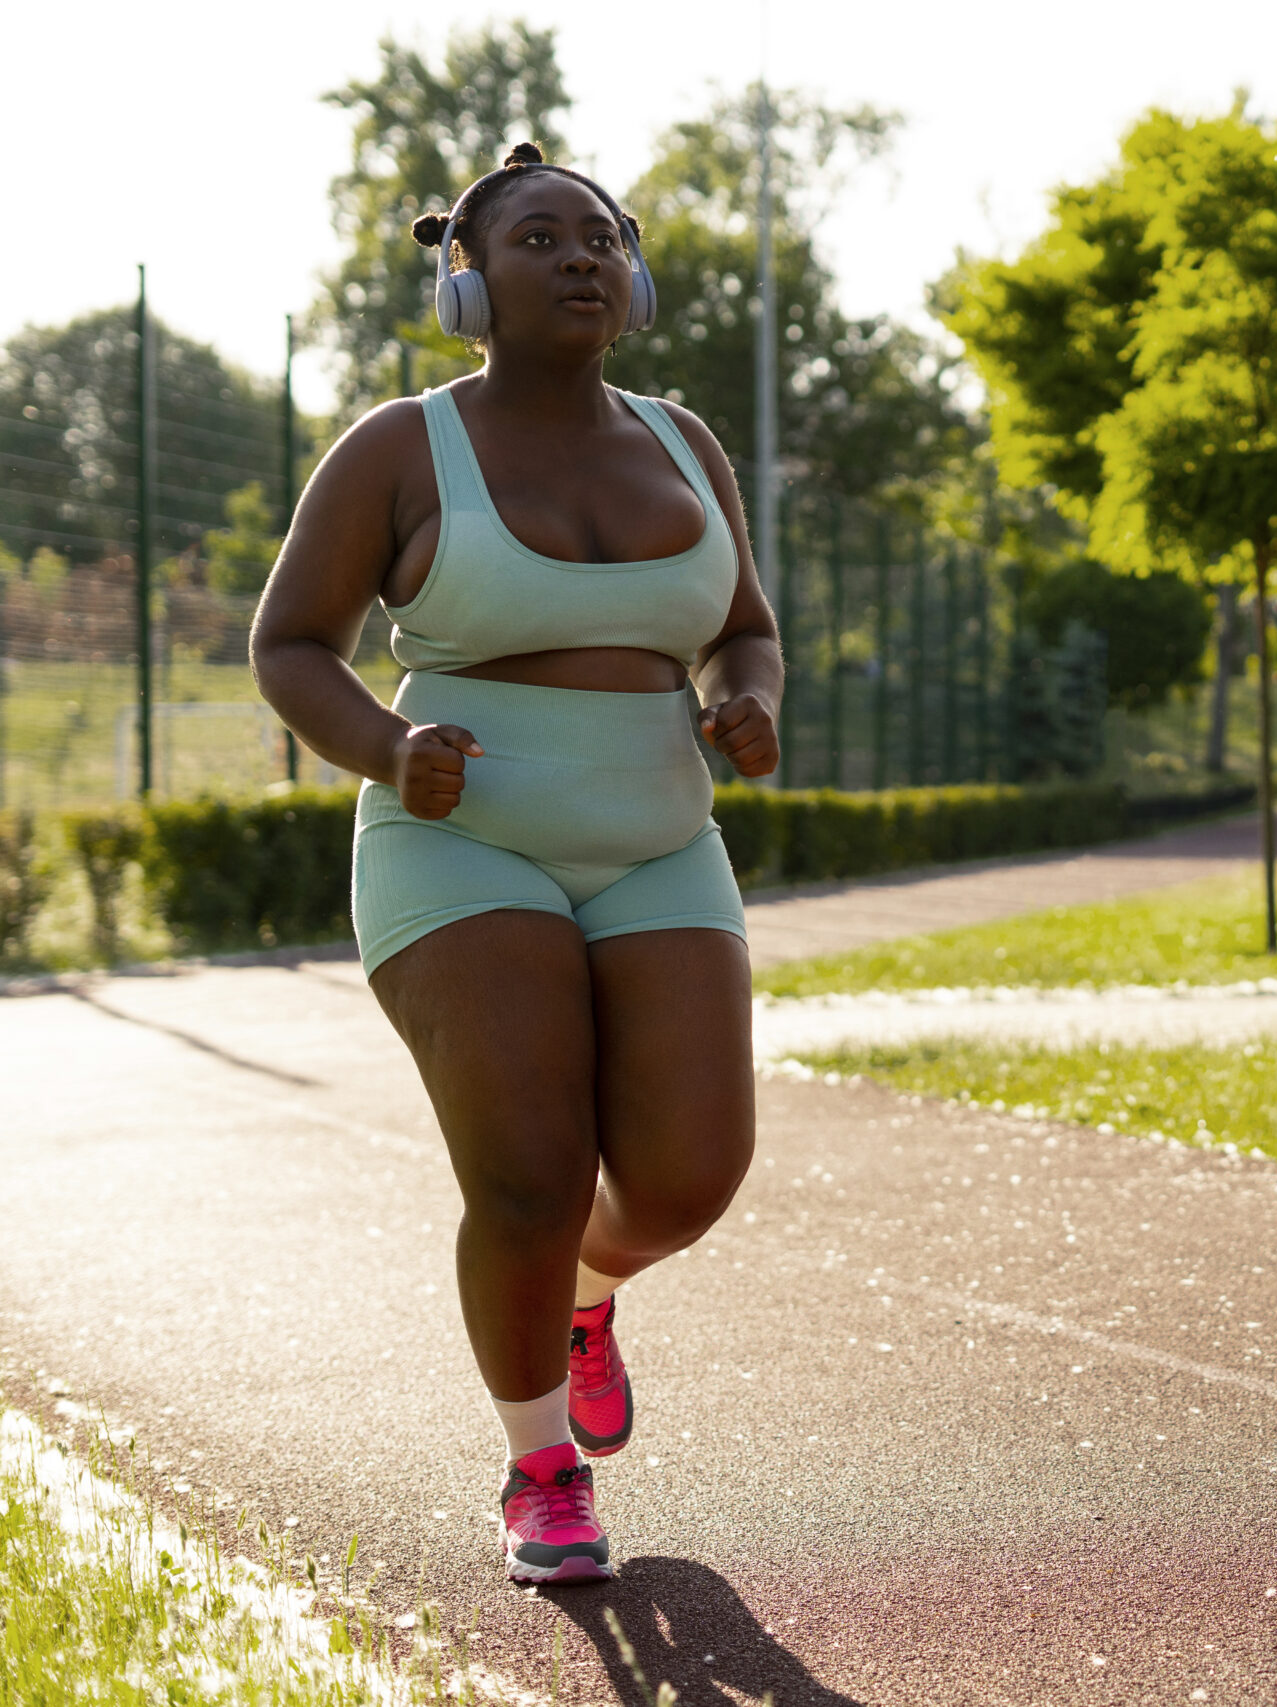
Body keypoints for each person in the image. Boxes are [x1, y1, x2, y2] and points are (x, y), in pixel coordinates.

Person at [251, 142, 782, 1584]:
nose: (581, 258)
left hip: (662, 837)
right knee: (532, 1176)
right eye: (540, 239)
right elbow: (291, 643)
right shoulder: (398, 446)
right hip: (461, 844)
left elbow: (743, 621)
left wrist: (753, 699)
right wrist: (380, 744)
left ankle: (586, 1298)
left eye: (602, 237)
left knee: (685, 1180)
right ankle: (541, 1468)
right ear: (467, 284)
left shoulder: (684, 441)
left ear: (639, 277)